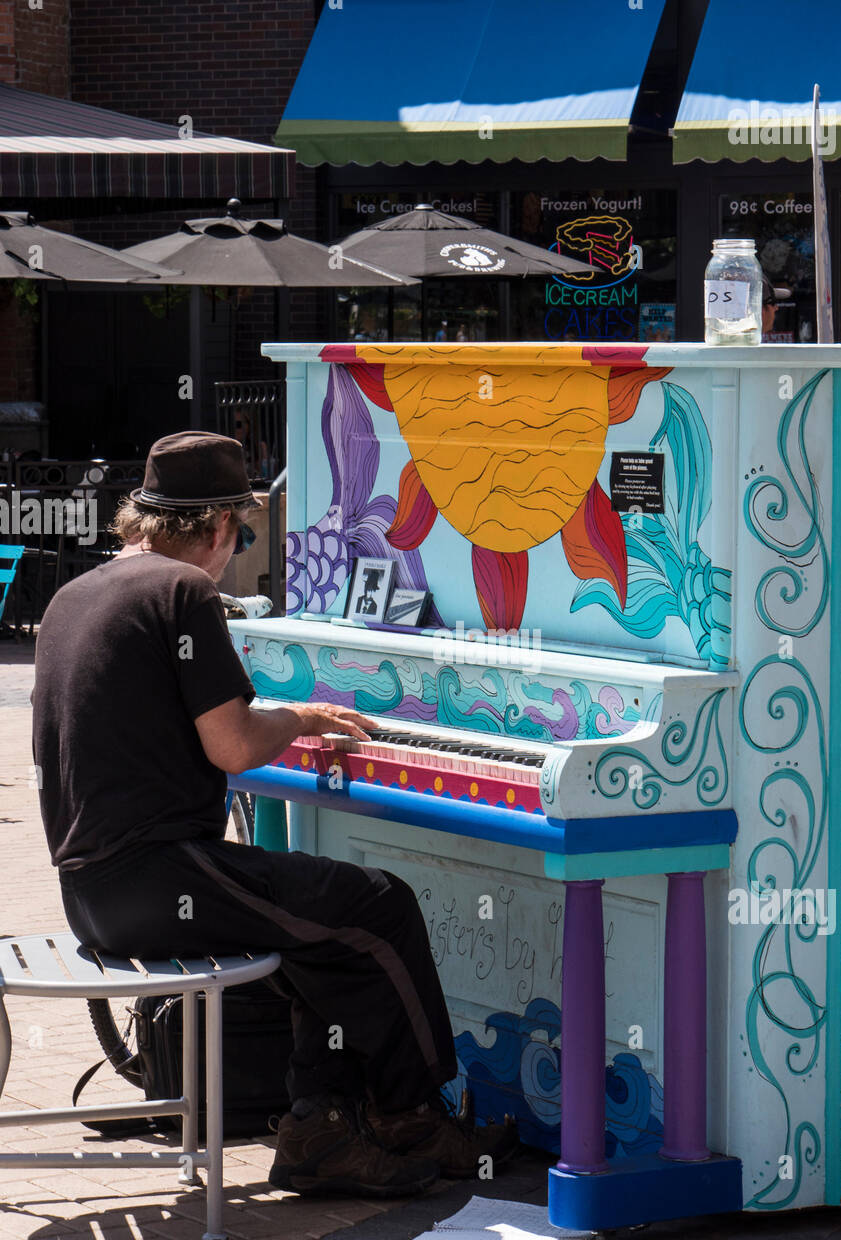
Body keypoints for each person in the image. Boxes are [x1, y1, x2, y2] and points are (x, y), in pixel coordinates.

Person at [31, 431, 517, 1199]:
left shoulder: (78, 593)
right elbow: (231, 745)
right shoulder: (180, 592)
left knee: (316, 935)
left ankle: (321, 1127)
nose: (238, 546)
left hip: (92, 893)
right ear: (221, 526)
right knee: (378, 905)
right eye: (243, 531)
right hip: (157, 881)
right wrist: (302, 717)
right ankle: (414, 1115)